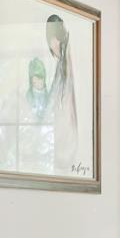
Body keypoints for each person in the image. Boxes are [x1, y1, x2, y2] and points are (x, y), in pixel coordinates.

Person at [46, 14, 79, 175]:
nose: (53, 45)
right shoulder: (60, 67)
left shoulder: (69, 63)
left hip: (68, 133)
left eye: (55, 39)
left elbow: (67, 105)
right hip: (60, 133)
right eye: (51, 40)